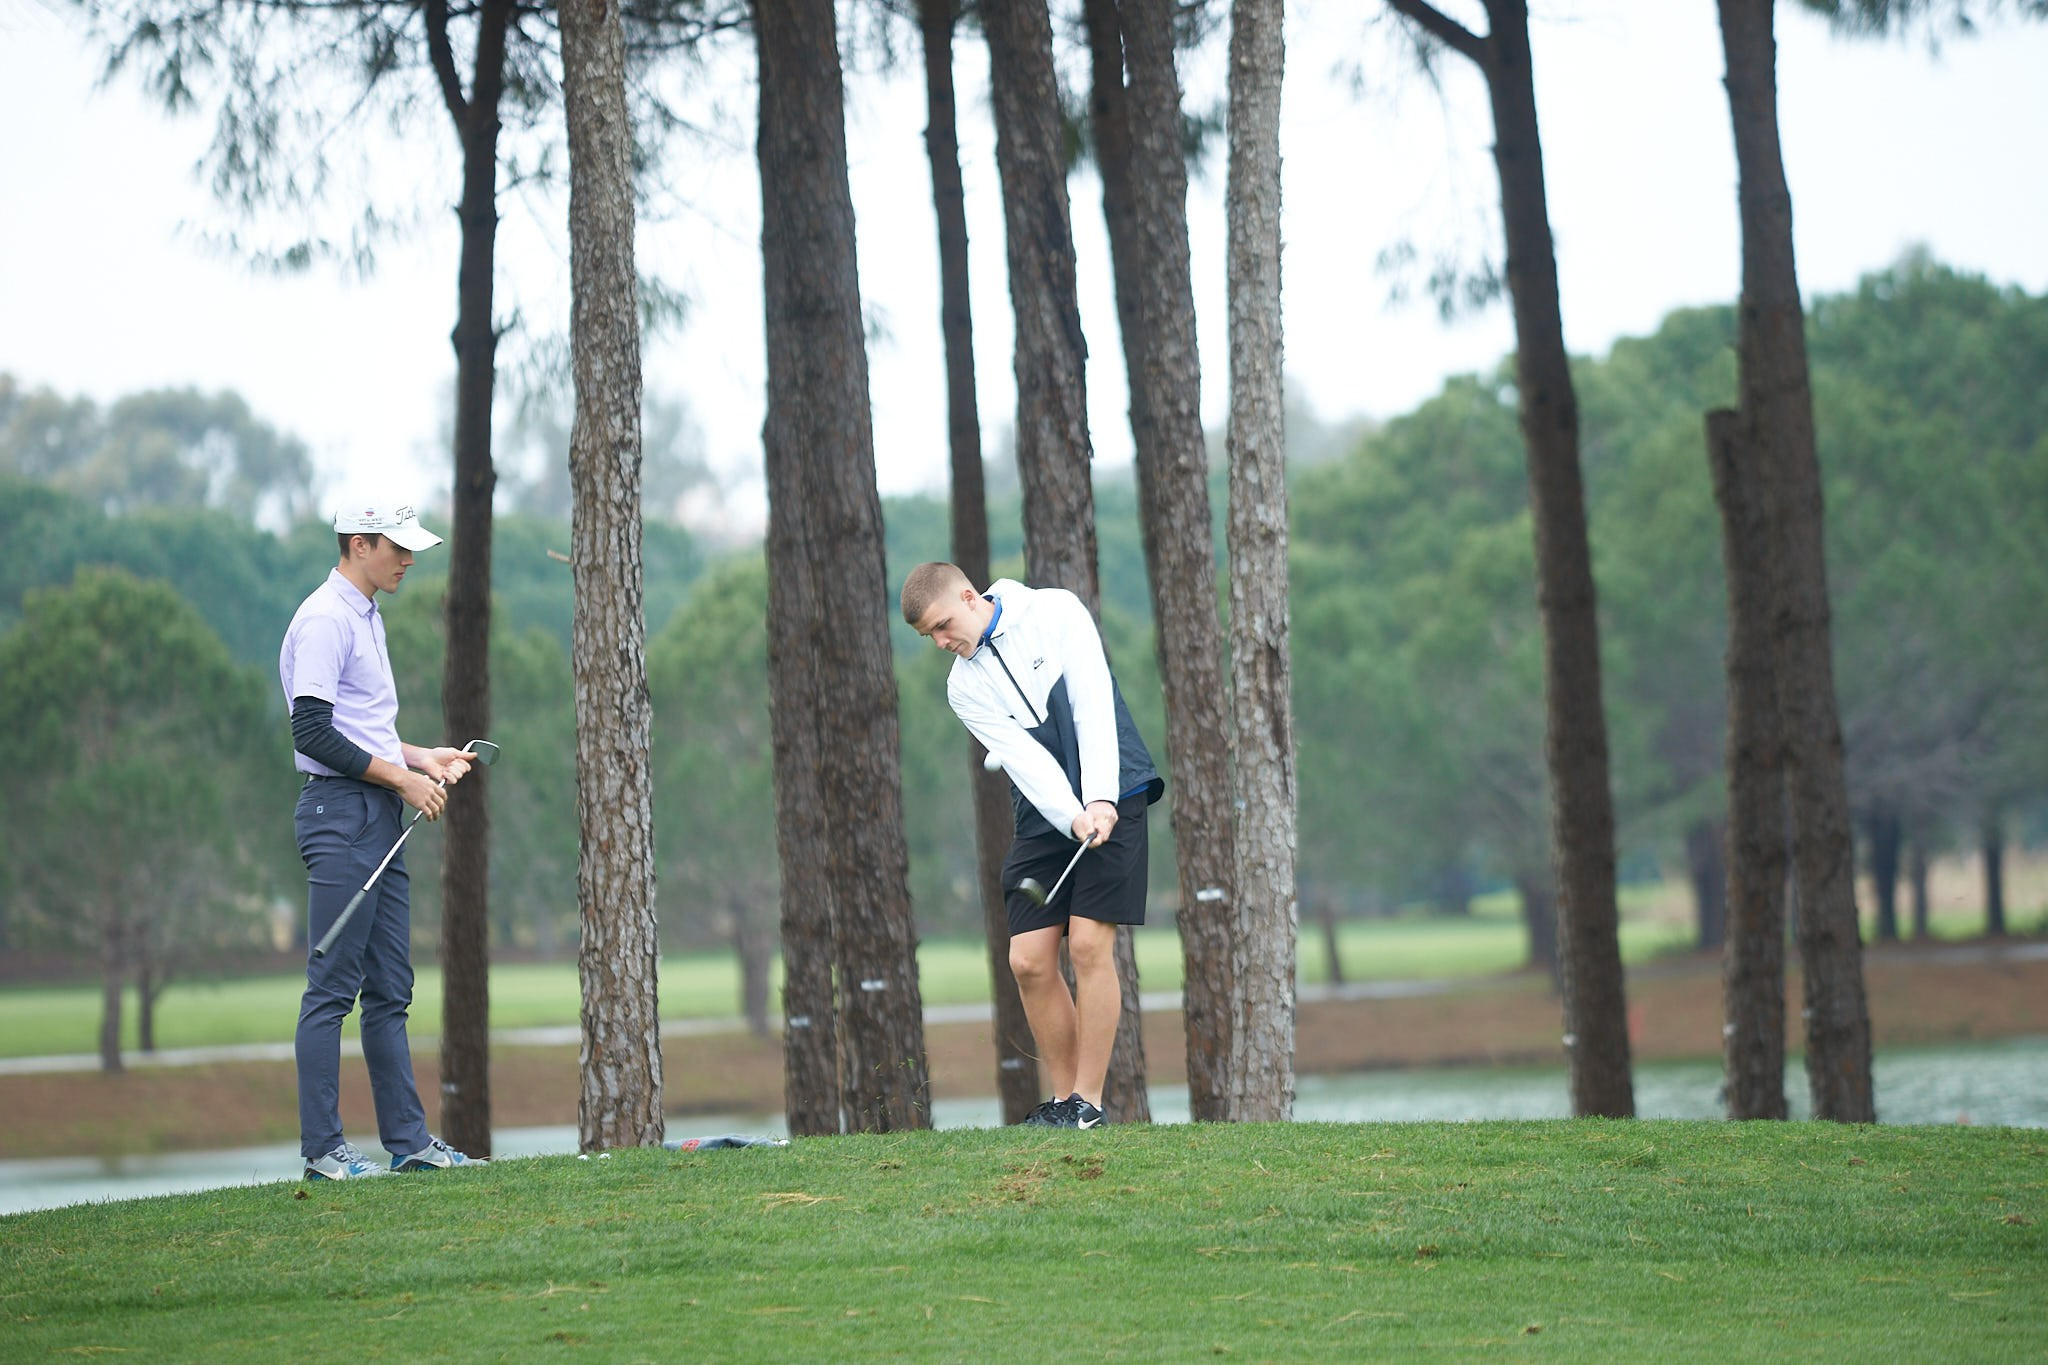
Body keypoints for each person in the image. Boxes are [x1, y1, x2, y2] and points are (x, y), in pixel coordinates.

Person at [901, 562, 1164, 1129]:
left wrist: (1099, 798)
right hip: (1048, 813)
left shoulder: (1054, 612)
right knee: (1027, 960)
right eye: (931, 638)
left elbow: (1093, 703)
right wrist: (1073, 815)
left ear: (970, 597)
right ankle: (1065, 1100)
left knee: (1090, 948)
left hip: (1116, 784)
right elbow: (1025, 763)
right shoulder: (962, 687)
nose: (943, 642)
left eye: (944, 626)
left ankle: (1088, 1106)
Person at [280, 495, 486, 1179]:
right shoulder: (323, 619)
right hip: (341, 817)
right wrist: (401, 781)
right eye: (396, 548)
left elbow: (360, 726)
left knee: (391, 988)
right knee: (331, 987)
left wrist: (421, 756)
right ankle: (323, 1152)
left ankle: (409, 1144)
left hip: (377, 814)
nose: (407, 560)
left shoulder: (366, 617)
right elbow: (312, 732)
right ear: (358, 543)